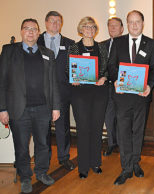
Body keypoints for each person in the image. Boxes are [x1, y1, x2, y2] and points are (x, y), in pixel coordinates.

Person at [0, 18, 60, 193]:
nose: (31, 32)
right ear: (21, 31)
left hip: (43, 108)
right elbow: (1, 82)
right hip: (19, 109)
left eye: (34, 29)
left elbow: (53, 82)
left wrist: (56, 106)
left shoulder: (48, 53)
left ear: (39, 33)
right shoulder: (9, 51)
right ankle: (25, 176)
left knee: (43, 143)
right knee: (21, 145)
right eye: (27, 28)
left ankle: (41, 172)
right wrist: (2, 108)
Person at [108, 10, 154, 185]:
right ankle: (126, 168)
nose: (134, 25)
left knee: (138, 131)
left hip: (141, 96)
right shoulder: (118, 42)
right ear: (127, 24)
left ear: (142, 23)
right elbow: (111, 66)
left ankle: (135, 162)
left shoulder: (151, 44)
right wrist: (115, 81)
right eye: (131, 22)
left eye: (137, 21)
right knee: (123, 132)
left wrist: (149, 86)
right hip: (122, 96)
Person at [67, 16, 108, 179]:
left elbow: (107, 69)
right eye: (86, 26)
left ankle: (95, 163)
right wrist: (73, 79)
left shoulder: (102, 47)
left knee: (97, 128)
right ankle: (83, 166)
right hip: (80, 94)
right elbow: (68, 69)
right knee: (83, 129)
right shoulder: (74, 47)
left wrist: (104, 77)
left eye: (92, 27)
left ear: (95, 30)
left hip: (99, 92)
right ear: (81, 29)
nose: (89, 29)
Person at [37, 11, 75, 170]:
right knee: (42, 126)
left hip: (63, 91)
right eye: (52, 21)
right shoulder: (35, 41)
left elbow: (74, 67)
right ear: (45, 23)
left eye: (58, 21)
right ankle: (44, 158)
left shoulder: (70, 43)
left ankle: (64, 157)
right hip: (39, 91)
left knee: (63, 125)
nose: (55, 24)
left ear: (61, 24)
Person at [102, 17, 124, 157]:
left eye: (116, 26)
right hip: (106, 86)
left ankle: (123, 144)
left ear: (122, 29)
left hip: (122, 86)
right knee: (108, 116)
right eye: (110, 26)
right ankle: (111, 143)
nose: (113, 28)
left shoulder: (127, 43)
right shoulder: (101, 45)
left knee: (122, 116)